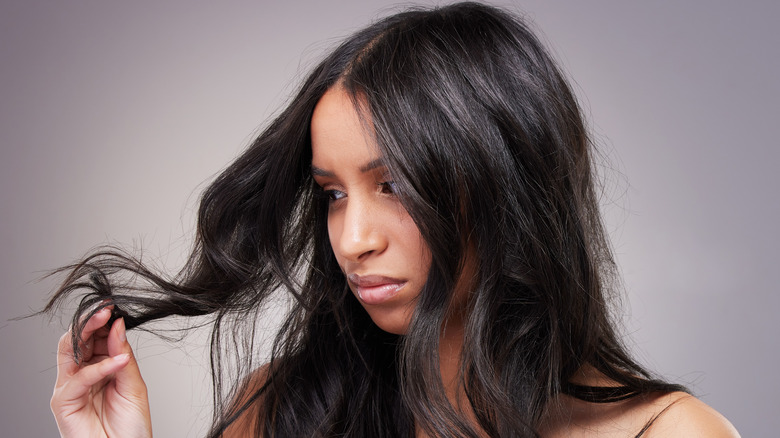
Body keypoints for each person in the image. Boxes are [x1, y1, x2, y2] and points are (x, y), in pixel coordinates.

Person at [46, 2, 739, 437]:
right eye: (333, 194)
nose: (353, 241)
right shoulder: (282, 410)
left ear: (507, 186)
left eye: (396, 186)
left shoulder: (667, 432)